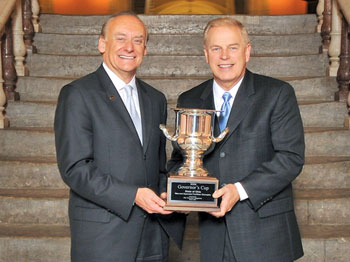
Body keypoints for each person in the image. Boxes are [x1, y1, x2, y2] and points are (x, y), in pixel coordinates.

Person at [168, 17, 305, 262]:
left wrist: (239, 190)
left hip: (266, 234)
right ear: (206, 54)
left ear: (247, 51)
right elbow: (179, 159)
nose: (224, 56)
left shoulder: (277, 94)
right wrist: (179, 191)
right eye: (216, 48)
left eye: (233, 47)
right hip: (213, 235)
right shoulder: (189, 99)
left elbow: (290, 158)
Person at [54, 12, 185, 262]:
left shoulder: (155, 99)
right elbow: (75, 169)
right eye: (121, 38)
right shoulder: (78, 94)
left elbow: (156, 166)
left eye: (138, 40)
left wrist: (169, 193)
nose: (129, 47)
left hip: (153, 233)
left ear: (145, 49)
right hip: (103, 235)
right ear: (102, 44)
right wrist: (133, 195)